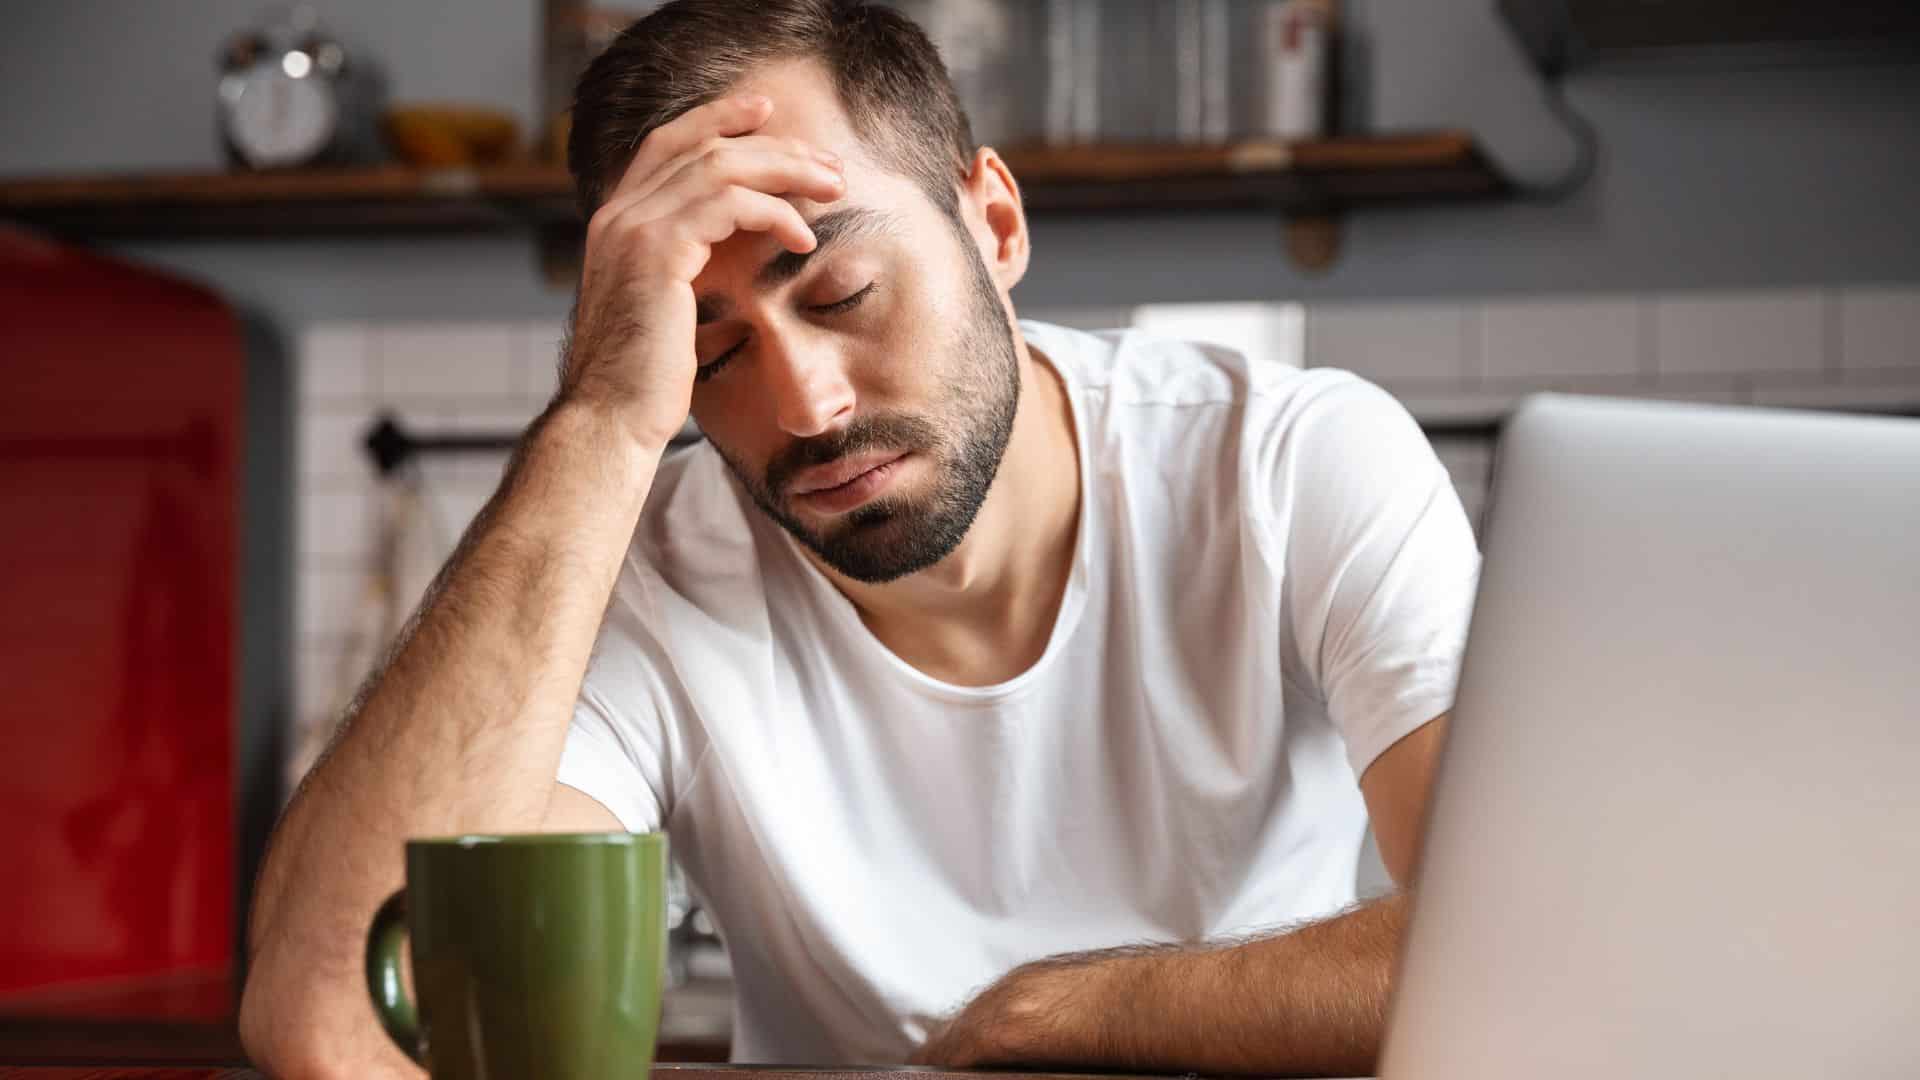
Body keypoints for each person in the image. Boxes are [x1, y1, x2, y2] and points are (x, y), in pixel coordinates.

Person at [238, 1, 1481, 1077]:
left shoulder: (1292, 462)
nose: (807, 408)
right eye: (710, 351)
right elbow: (336, 1025)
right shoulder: (640, 569)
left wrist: (1070, 1011)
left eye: (843, 294)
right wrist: (604, 418)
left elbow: (1527, 938)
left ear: (993, 228)